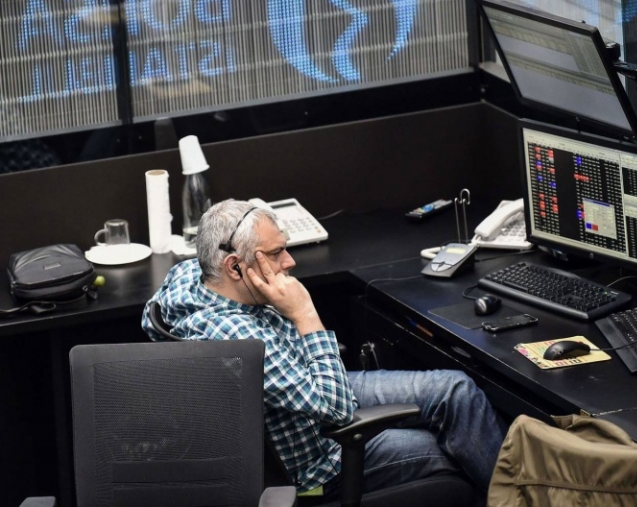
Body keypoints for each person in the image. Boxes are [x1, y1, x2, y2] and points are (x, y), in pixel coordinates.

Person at [142, 199, 506, 498]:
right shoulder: (238, 340)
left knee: (455, 390)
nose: (290, 262)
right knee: (454, 450)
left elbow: (154, 308)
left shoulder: (192, 276)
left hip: (308, 386)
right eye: (277, 253)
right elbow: (338, 410)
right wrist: (304, 314)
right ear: (235, 268)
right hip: (320, 461)